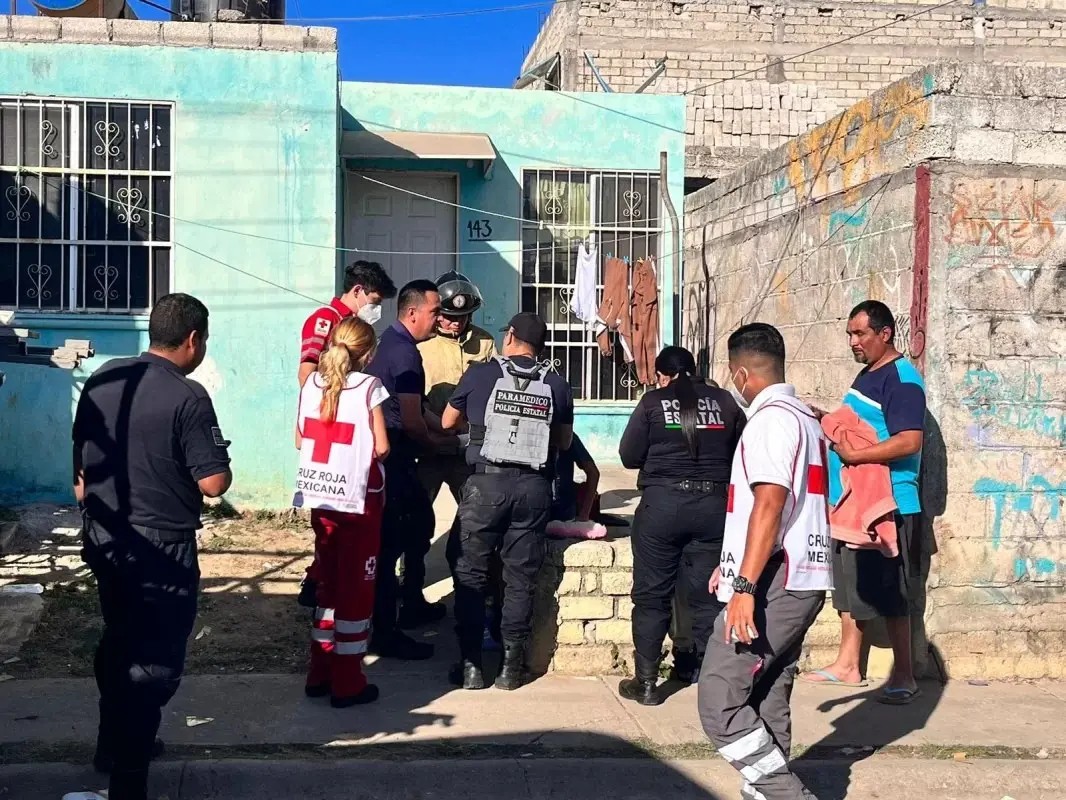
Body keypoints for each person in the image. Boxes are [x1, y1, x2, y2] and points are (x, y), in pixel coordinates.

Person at [72, 294, 232, 800]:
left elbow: (80, 475)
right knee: (153, 662)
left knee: (119, 639)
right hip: (161, 544)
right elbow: (213, 484)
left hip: (105, 535)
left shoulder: (102, 380)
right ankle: (129, 781)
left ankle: (112, 745)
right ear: (193, 340)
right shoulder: (189, 397)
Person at [698, 323, 831, 800]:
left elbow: (771, 504)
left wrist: (745, 588)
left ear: (740, 374)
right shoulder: (805, 418)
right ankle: (766, 793)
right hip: (798, 576)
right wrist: (731, 563)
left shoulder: (770, 420)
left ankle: (785, 794)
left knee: (718, 700)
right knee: (766, 694)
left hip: (775, 580)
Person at [442, 312, 574, 690]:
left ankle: (470, 668)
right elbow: (563, 443)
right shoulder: (558, 384)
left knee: (470, 575)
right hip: (533, 489)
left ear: (511, 336)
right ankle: (510, 669)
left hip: (486, 486)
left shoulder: (481, 373)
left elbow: (449, 422)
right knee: (520, 579)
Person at [801, 300, 924, 704]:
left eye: (860, 334)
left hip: (888, 504)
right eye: (850, 334)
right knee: (851, 586)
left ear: (884, 334)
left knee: (892, 593)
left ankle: (904, 674)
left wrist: (856, 456)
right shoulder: (867, 374)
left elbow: (909, 440)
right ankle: (848, 664)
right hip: (852, 503)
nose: (854, 342)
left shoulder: (902, 379)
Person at [617, 346, 745, 705]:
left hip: (662, 506)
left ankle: (645, 683)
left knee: (651, 595)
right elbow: (741, 452)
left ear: (663, 376)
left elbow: (628, 456)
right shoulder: (726, 402)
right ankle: (709, 679)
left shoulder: (652, 402)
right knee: (707, 597)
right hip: (713, 508)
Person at [295, 316, 390, 708]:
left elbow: (300, 437)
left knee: (327, 586)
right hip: (360, 501)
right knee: (356, 592)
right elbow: (381, 447)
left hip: (322, 501)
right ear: (368, 353)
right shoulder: (370, 387)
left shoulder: (312, 383)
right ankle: (348, 682)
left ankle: (319, 671)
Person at [364, 279, 457, 659]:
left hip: (396, 457)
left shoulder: (392, 343)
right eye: (436, 312)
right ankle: (386, 629)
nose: (440, 319)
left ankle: (411, 602)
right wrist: (444, 444)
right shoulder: (405, 355)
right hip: (397, 456)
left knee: (418, 528)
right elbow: (413, 420)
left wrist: (448, 429)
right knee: (394, 545)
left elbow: (419, 411)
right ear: (413, 312)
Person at [297, 260, 397, 608]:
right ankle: (325, 589)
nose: (377, 309)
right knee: (336, 530)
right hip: (333, 435)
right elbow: (308, 375)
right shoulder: (326, 320)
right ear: (357, 291)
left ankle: (324, 588)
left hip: (344, 437)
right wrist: (340, 411)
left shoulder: (351, 327)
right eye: (374, 300)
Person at [416, 271, 498, 632]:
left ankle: (475, 591)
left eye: (461, 317)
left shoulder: (485, 344)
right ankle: (411, 592)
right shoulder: (421, 347)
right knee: (417, 523)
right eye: (448, 315)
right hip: (429, 447)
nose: (453, 322)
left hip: (469, 449)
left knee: (475, 522)